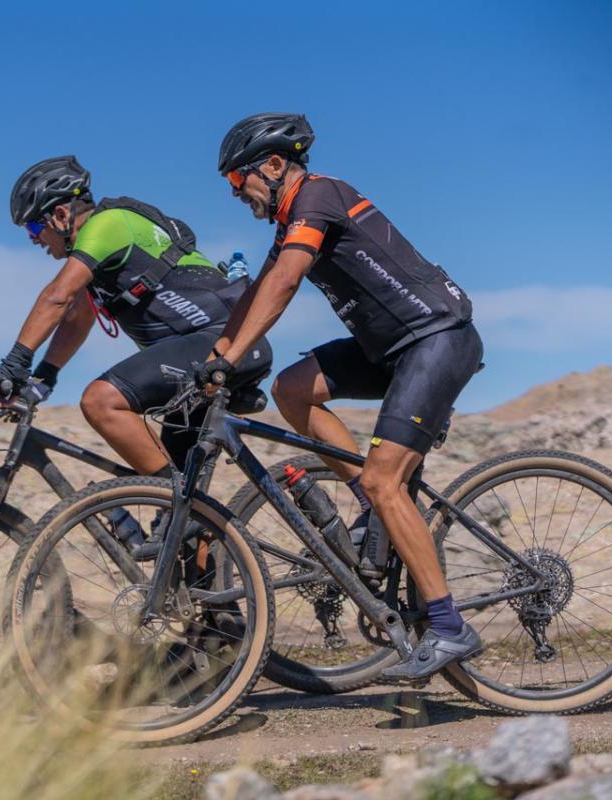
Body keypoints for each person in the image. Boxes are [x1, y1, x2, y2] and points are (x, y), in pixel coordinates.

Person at [199, 113, 485, 681]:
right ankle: (369, 505)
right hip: (389, 349)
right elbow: (257, 291)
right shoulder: (290, 220)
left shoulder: (319, 196)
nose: (235, 194)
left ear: (274, 165)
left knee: (386, 481)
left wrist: (231, 361)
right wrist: (214, 357)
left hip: (435, 340)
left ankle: (450, 626)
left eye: (237, 180)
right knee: (291, 389)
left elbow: (285, 284)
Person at [0, 155, 272, 479]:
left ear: (61, 215)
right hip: (204, 355)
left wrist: (13, 365)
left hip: (225, 344)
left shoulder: (107, 224)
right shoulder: (98, 260)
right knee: (176, 501)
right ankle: (182, 506)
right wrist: (43, 378)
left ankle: (174, 497)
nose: (34, 239)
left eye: (34, 227)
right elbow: (77, 318)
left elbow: (57, 296)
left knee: (101, 401)